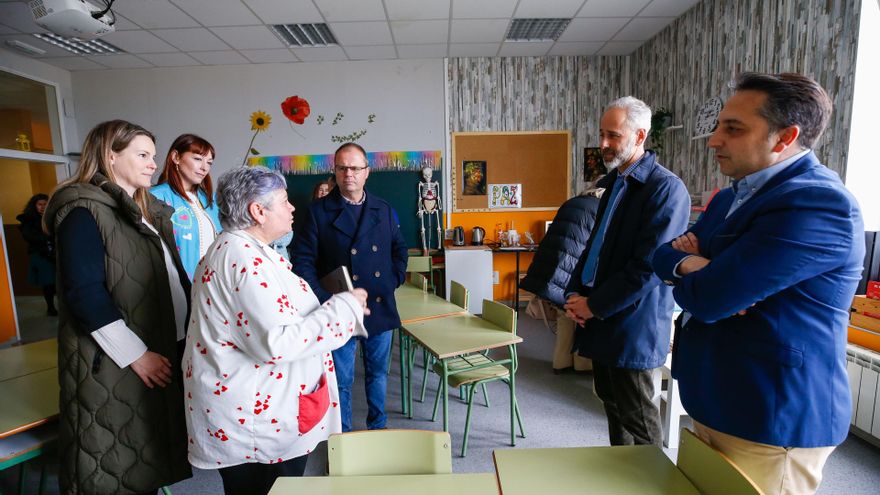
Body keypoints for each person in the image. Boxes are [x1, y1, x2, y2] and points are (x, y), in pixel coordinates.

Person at [652, 73, 864, 494]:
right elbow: (662, 255)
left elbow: (712, 298)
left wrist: (700, 271)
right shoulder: (732, 197)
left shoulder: (818, 203)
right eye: (718, 127)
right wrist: (698, 265)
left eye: (733, 129)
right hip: (719, 396)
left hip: (771, 414)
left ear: (785, 137)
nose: (714, 141)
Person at [183, 166, 369, 495]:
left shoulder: (242, 250)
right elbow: (278, 342)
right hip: (255, 421)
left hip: (257, 409)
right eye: (284, 201)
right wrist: (344, 308)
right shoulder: (242, 259)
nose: (292, 207)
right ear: (258, 211)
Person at [43, 120, 191, 494]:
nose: (152, 164)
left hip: (155, 347)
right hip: (117, 361)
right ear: (111, 156)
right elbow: (84, 294)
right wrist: (138, 355)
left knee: (144, 462)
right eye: (142, 155)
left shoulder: (143, 212)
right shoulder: (83, 211)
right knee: (117, 466)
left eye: (153, 156)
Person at [563, 97, 690, 446]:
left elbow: (648, 267)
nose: (603, 144)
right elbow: (595, 248)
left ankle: (656, 483)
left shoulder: (665, 189)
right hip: (603, 315)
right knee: (611, 405)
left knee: (638, 418)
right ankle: (622, 475)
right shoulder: (614, 183)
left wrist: (594, 305)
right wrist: (575, 292)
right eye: (602, 134)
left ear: (640, 135)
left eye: (613, 136)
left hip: (633, 322)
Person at [292, 142, 408, 432]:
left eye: (355, 168)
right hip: (338, 308)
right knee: (341, 380)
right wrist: (324, 299)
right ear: (335, 171)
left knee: (378, 374)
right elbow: (303, 261)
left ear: (367, 171)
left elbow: (399, 249)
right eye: (343, 168)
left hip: (378, 305)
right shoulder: (318, 212)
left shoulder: (383, 208)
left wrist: (392, 280)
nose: (349, 174)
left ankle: (377, 430)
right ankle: (341, 438)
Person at [520, 182, 604, 374]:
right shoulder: (600, 208)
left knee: (565, 315)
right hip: (574, 269)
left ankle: (561, 363)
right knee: (581, 317)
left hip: (553, 267)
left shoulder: (571, 203)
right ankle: (583, 365)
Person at [151, 134, 221, 281]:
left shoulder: (211, 200)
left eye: (209, 163)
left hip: (211, 285)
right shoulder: (156, 197)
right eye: (197, 159)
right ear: (176, 157)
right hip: (175, 284)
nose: (204, 168)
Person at [16, 193, 57, 316]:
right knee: (48, 282)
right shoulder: (27, 219)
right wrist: (48, 237)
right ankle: (50, 308)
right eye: (39, 204)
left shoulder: (52, 216)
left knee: (59, 281)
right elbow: (29, 237)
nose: (42, 207)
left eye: (45, 204)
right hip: (41, 254)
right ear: (34, 205)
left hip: (56, 253)